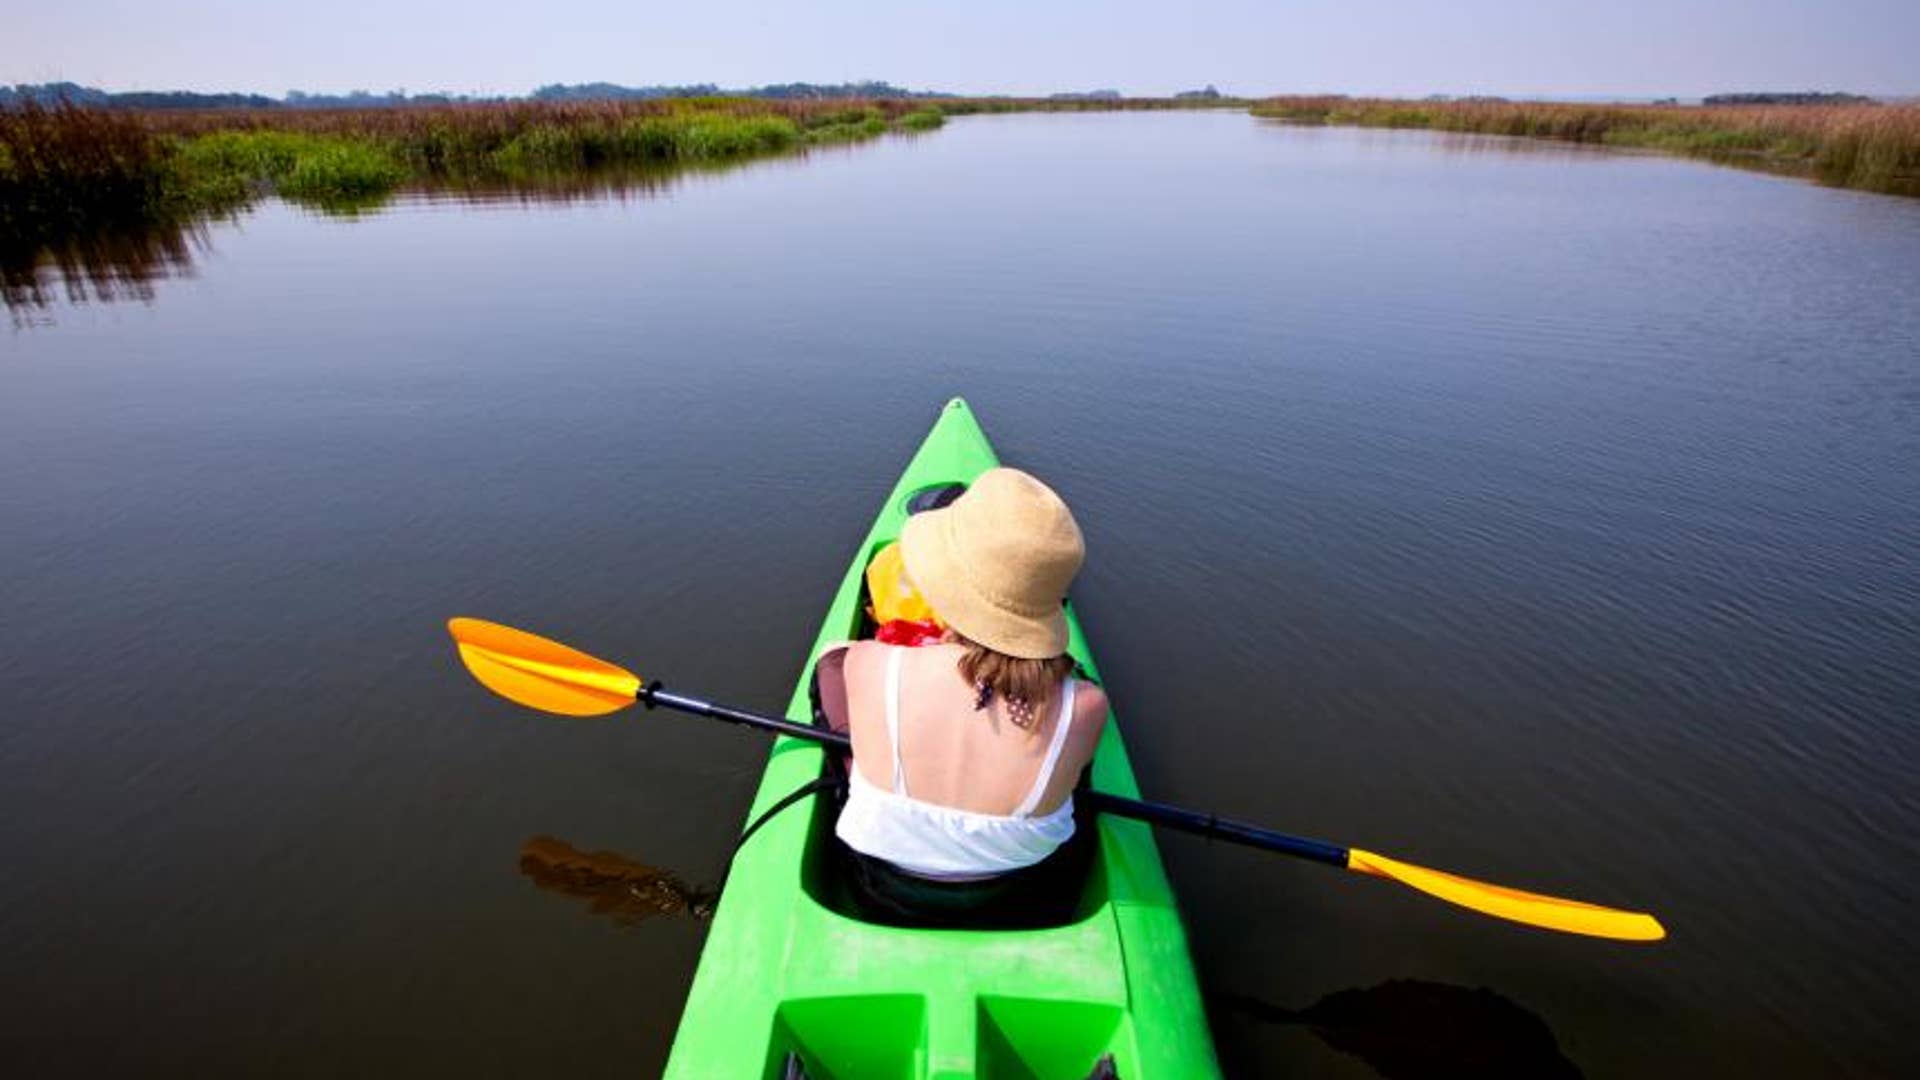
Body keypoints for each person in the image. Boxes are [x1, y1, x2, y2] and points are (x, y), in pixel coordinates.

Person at [817, 467, 1110, 926]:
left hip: (882, 889)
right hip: (1017, 895)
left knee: (831, 660)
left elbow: (853, 665)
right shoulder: (1088, 706)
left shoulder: (871, 664)